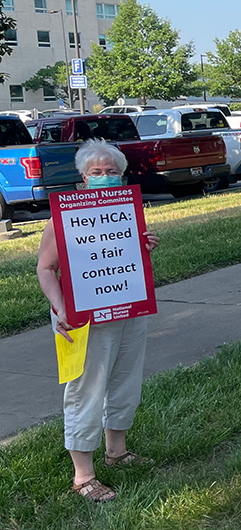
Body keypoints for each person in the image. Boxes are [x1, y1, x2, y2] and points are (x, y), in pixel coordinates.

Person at [36, 140, 160, 502]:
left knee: (125, 381)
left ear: (122, 176)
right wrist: (60, 311)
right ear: (82, 177)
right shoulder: (63, 217)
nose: (104, 178)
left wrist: (144, 245)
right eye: (96, 173)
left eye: (111, 172)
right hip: (81, 318)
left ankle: (117, 453)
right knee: (85, 390)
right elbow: (46, 268)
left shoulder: (126, 212)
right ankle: (83, 476)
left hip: (127, 308)